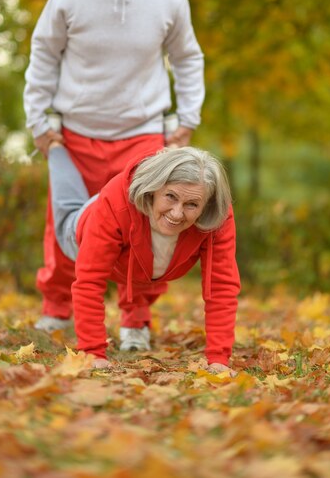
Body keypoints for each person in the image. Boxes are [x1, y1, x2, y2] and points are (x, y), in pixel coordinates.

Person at [23, 0, 205, 331]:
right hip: (77, 131)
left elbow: (188, 58)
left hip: (142, 134)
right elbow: (44, 54)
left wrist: (187, 119)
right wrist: (38, 122)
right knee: (66, 224)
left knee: (146, 229)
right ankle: (57, 310)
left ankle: (135, 318)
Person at [46, 141, 240, 373]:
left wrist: (219, 359)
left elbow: (221, 287)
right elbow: (89, 281)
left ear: (206, 205)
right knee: (67, 202)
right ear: (155, 188)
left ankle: (136, 322)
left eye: (191, 204)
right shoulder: (114, 204)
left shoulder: (217, 217)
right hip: (81, 229)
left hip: (136, 258)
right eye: (170, 196)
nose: (177, 213)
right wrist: (92, 352)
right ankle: (56, 148)